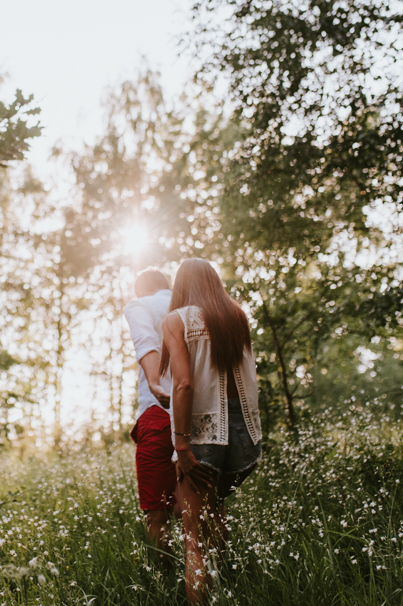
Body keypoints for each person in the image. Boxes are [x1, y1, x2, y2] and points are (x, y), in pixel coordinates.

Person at [161, 259, 261, 604]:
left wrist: (181, 446)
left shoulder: (177, 320)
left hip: (204, 434)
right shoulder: (236, 316)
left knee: (193, 539)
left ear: (180, 285)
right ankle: (226, 586)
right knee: (213, 507)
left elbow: (184, 385)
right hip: (246, 435)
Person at [123, 268, 179, 559]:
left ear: (142, 289)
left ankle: (166, 576)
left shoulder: (140, 305)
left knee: (156, 510)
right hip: (201, 413)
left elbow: (145, 340)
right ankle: (213, 572)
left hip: (158, 412)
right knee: (205, 504)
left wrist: (156, 382)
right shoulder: (192, 307)